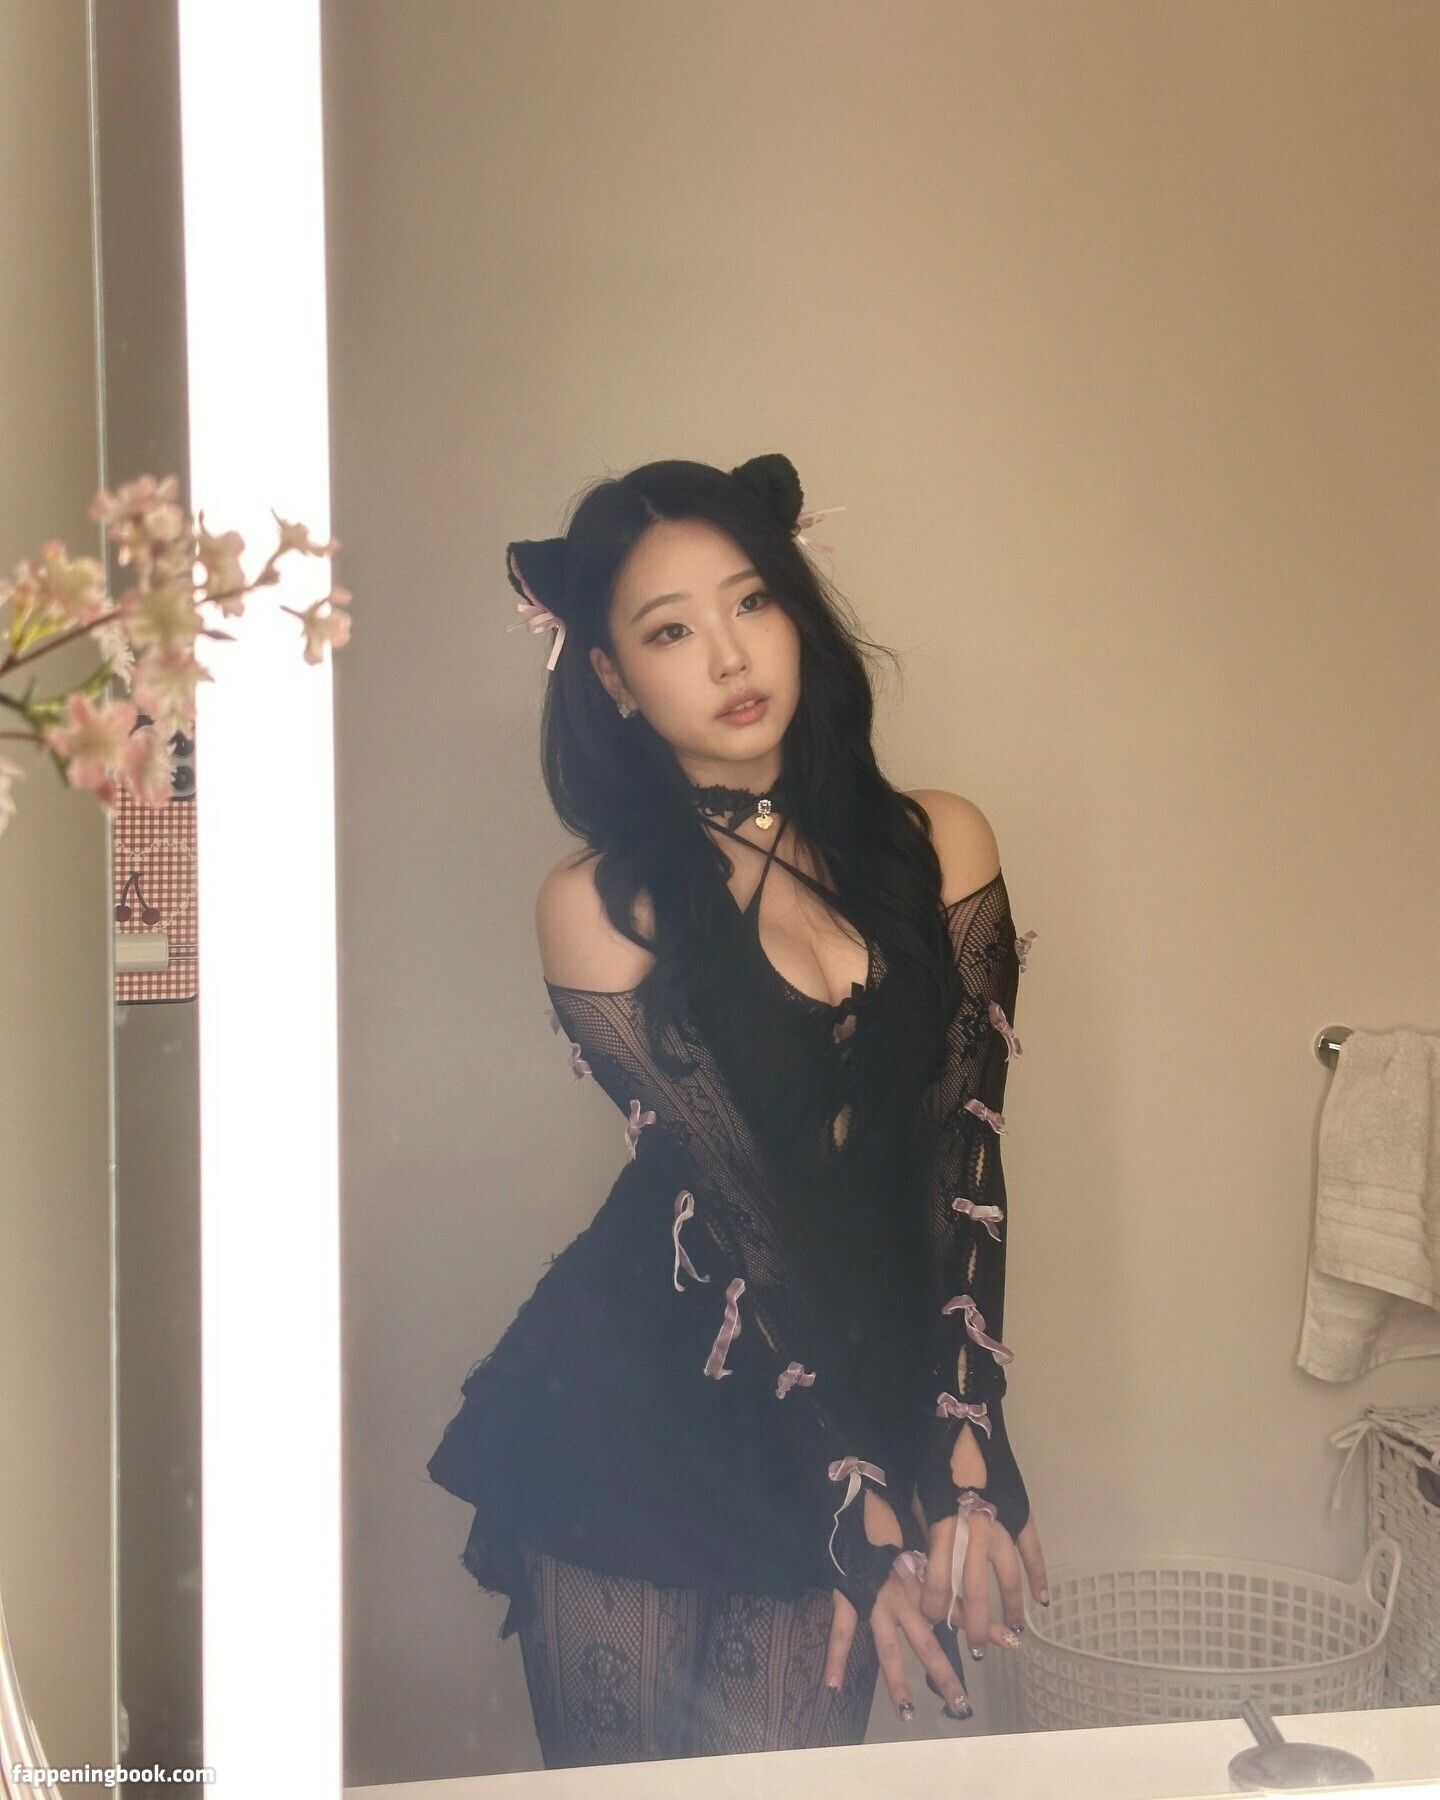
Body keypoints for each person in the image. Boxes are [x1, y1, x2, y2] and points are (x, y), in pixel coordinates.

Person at [427, 453, 1048, 1768]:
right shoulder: (602, 906)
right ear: (611, 677)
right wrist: (853, 1497)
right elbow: (736, 1216)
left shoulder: (940, 843)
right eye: (670, 631)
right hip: (633, 1414)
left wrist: (965, 1442)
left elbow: (962, 1164)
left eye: (751, 601)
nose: (728, 655)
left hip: (850, 1393)